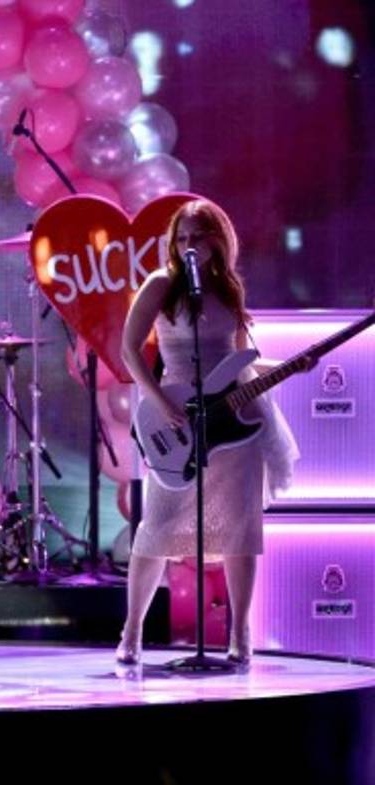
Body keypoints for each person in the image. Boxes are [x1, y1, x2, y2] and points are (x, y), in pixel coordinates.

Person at [116, 198, 298, 666]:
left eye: (198, 236)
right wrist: (159, 401)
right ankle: (131, 632)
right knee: (157, 525)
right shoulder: (161, 284)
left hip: (232, 423)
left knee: (242, 526)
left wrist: (291, 367)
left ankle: (239, 634)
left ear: (219, 240)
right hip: (176, 413)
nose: (189, 246)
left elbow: (242, 361)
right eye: (181, 238)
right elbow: (130, 350)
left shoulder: (229, 291)